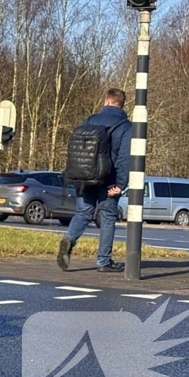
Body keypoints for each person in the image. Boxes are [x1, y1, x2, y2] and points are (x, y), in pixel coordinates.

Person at [58, 88, 132, 273]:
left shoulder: (89, 120)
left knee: (83, 212)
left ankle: (69, 239)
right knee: (107, 217)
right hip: (109, 179)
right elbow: (125, 158)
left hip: (83, 175)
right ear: (122, 105)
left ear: (106, 101)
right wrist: (121, 185)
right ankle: (103, 261)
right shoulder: (125, 126)